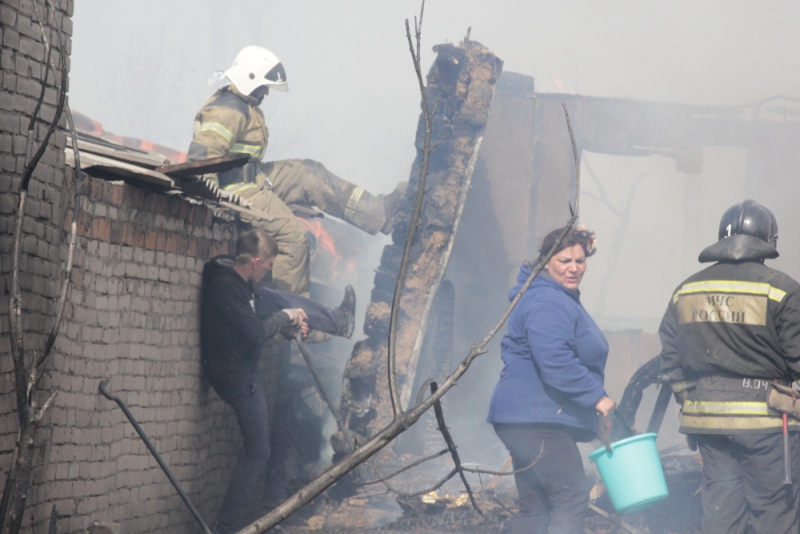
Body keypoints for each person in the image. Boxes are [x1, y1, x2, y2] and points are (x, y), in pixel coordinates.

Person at [188, 45, 408, 296]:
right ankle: (292, 313)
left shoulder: (243, 104)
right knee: (293, 238)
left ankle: (378, 213)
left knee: (308, 173)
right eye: (264, 86)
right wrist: (214, 205)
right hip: (235, 189)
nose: (266, 92)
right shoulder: (226, 111)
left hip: (253, 177)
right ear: (249, 78)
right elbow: (201, 162)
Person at [659, 199, 800, 534]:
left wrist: (690, 399)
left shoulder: (686, 290)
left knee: (721, 516)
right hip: (767, 426)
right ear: (768, 240)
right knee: (775, 514)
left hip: (708, 422)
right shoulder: (781, 289)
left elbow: (670, 357)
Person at [487, 226, 615, 534]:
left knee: (536, 511)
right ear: (546, 262)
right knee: (571, 496)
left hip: (529, 418)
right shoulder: (547, 300)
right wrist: (597, 397)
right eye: (564, 260)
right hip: (537, 420)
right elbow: (555, 360)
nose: (574, 268)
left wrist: (582, 237)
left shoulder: (555, 296)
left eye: (580, 261)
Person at [201, 229, 314, 534]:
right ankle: (224, 528)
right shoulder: (225, 286)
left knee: (259, 450)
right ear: (255, 261)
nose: (267, 271)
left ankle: (227, 525)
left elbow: (250, 327)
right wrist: (285, 316)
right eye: (267, 265)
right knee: (258, 451)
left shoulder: (242, 286)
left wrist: (284, 331)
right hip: (236, 378)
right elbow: (253, 332)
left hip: (244, 373)